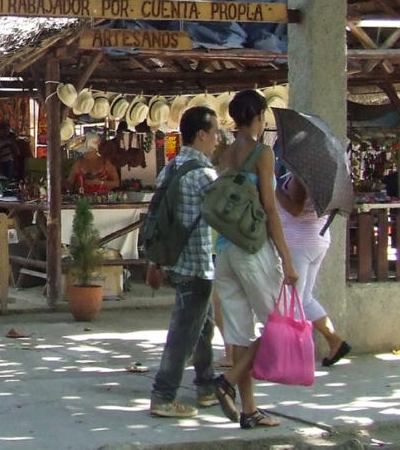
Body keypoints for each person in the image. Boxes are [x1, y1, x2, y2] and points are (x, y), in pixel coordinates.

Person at [212, 89, 298, 429]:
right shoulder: (262, 153)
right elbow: (270, 209)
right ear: (259, 117)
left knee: (239, 334)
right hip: (252, 248)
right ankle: (228, 380)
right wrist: (287, 259)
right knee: (278, 324)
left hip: (224, 249)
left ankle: (249, 410)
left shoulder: (223, 154)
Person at [150, 106, 220, 418]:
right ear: (201, 134)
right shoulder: (204, 175)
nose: (218, 139)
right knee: (183, 333)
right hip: (197, 263)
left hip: (176, 260)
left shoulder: (172, 168)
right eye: (215, 133)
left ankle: (206, 386)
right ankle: (163, 395)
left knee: (203, 326)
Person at [276, 172, 351, 367]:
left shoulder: (301, 177)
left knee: (293, 303)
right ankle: (335, 341)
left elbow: (296, 209)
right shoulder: (325, 178)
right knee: (305, 299)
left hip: (299, 243)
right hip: (316, 239)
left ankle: (296, 356)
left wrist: (275, 189)